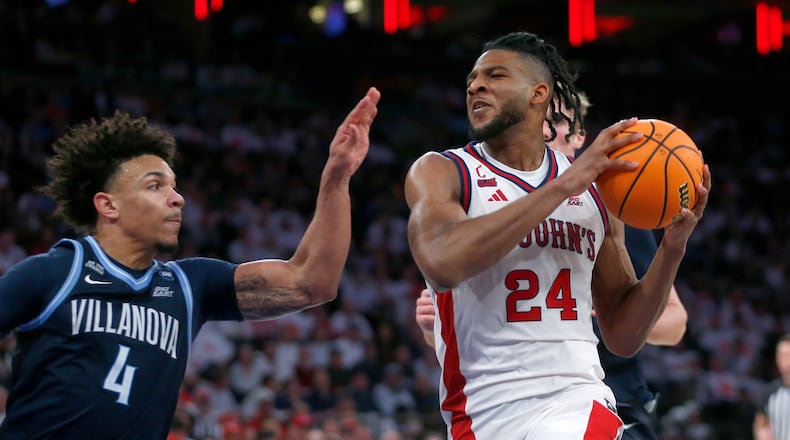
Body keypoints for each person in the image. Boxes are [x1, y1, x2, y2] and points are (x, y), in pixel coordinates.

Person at [0, 87, 380, 439]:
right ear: (108, 205)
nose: (177, 198)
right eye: (155, 186)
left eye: (174, 185)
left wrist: (337, 177)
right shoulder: (52, 274)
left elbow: (312, 283)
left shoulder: (189, 285)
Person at [404, 31, 710, 439]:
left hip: (576, 400)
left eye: (495, 75)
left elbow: (623, 337)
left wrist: (672, 247)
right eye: (472, 80)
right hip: (480, 412)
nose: (476, 86)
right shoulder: (442, 171)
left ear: (538, 94)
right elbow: (443, 266)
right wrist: (564, 186)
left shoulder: (597, 193)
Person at [753, 334, 790, 440]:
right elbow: (760, 427)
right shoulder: (769, 393)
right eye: (783, 356)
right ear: (777, 360)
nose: (787, 361)